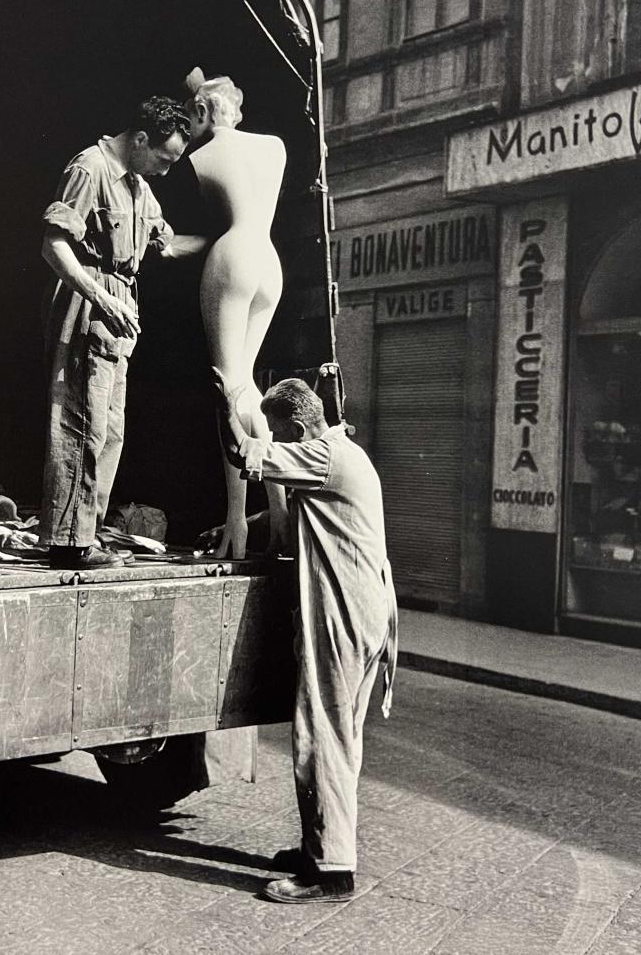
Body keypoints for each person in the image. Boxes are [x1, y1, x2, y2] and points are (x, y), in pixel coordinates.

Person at [212, 369, 399, 904]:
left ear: (296, 426)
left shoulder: (323, 457)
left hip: (344, 613)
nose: (278, 445)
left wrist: (227, 404)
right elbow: (305, 512)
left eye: (279, 434)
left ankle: (332, 871)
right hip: (365, 611)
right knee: (340, 737)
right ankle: (320, 847)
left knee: (323, 734)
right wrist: (238, 523)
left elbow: (241, 452)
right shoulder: (342, 455)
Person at [40, 97, 206, 569]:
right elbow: (53, 245)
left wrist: (224, 238)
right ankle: (68, 545)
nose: (166, 170)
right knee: (81, 425)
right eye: (164, 158)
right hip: (90, 303)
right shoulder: (90, 169)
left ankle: (83, 537)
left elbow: (166, 245)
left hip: (118, 310)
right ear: (139, 140)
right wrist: (102, 297)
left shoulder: (137, 184)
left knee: (110, 431)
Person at [184, 68, 290, 559]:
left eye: (192, 115)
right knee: (249, 387)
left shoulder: (202, 155)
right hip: (270, 262)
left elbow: (213, 215)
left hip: (232, 256)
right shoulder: (275, 147)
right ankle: (280, 510)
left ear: (204, 111)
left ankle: (237, 523)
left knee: (227, 389)